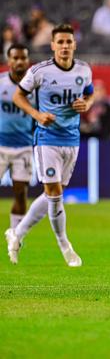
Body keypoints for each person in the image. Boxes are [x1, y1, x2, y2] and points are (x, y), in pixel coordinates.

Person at [5, 23, 94, 267]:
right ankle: (65, 245)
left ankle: (17, 234)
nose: (65, 46)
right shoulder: (40, 71)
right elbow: (18, 96)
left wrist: (86, 103)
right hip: (46, 138)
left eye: (69, 42)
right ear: (53, 45)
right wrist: (37, 115)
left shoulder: (84, 70)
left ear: (74, 45)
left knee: (52, 194)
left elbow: (89, 93)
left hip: (71, 138)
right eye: (60, 42)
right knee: (55, 194)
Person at [0, 44, 35, 232]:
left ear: (28, 61)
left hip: (23, 146)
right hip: (0, 145)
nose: (19, 61)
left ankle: (14, 235)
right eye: (15, 58)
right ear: (9, 61)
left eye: (23, 58)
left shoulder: (35, 88)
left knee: (20, 194)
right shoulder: (1, 83)